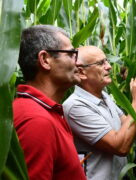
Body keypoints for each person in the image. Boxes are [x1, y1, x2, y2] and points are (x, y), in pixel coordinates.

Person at [63, 46, 136, 180]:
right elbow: (120, 147)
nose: (109, 66)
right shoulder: (75, 107)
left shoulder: (104, 96)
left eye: (107, 61)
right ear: (82, 72)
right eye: (101, 63)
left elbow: (127, 124)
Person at [13, 25, 86, 180]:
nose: (79, 63)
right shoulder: (37, 121)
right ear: (45, 60)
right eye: (72, 54)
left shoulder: (45, 111)